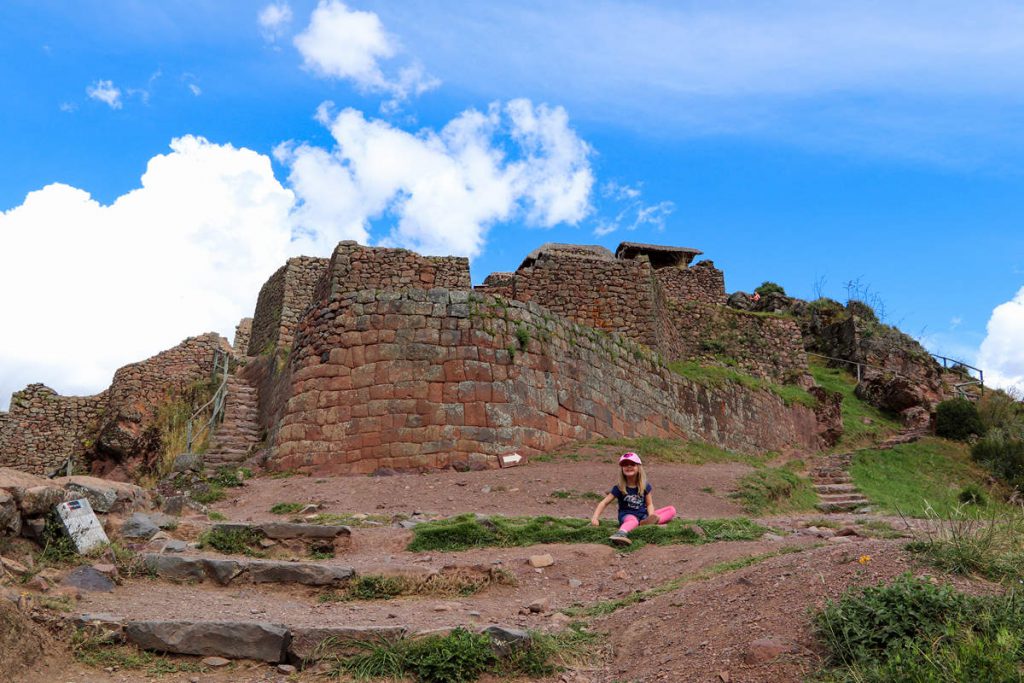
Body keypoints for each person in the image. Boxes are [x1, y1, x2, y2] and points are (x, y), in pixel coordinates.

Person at [590, 452, 676, 546]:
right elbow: (604, 503)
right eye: (625, 464)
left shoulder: (645, 486)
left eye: (632, 464)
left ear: (638, 468)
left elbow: (649, 504)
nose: (629, 466)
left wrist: (651, 516)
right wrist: (595, 518)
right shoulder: (619, 488)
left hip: (643, 516)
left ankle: (647, 522)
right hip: (627, 515)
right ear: (622, 469)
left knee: (671, 510)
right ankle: (621, 533)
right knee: (633, 521)